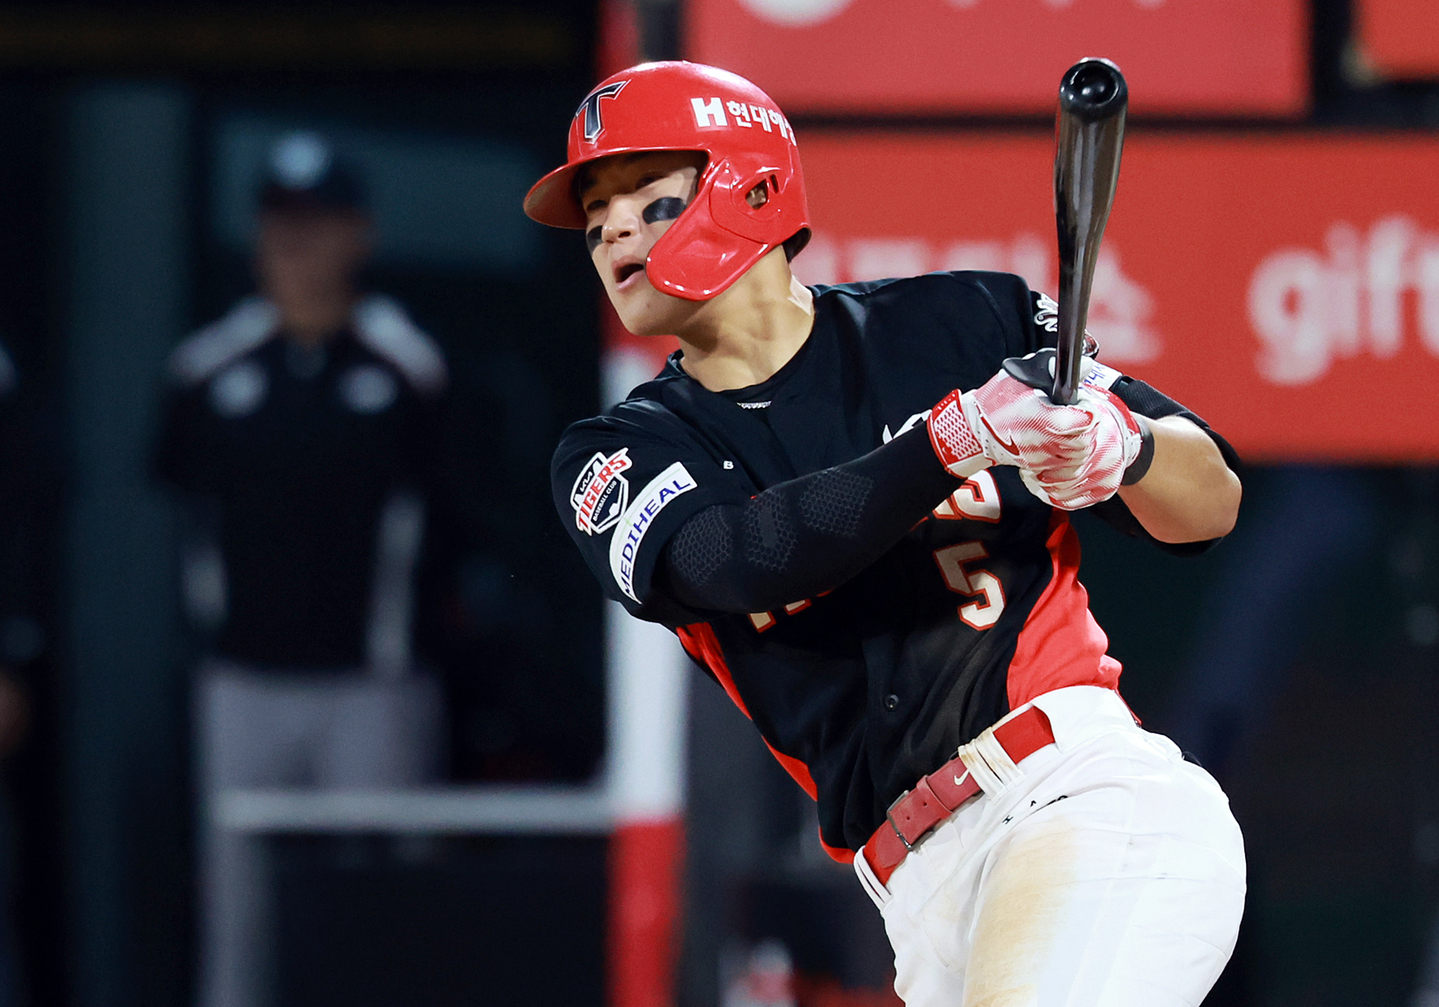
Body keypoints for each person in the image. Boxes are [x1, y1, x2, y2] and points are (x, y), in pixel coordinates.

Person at [527, 61, 1246, 1006]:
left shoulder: (959, 324)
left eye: (647, 200)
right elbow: (732, 559)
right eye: (594, 220)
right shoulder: (621, 448)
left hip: (1072, 799)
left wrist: (1126, 447)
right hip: (915, 893)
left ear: (751, 185)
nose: (612, 229)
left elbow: (1213, 500)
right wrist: (950, 442)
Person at [154, 132, 448, 1007]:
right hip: (243, 683)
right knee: (241, 914)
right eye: (281, 225)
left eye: (318, 225)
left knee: (375, 903)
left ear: (358, 234)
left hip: (374, 687)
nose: (297, 246)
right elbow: (173, 496)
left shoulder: (408, 364)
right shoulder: (206, 371)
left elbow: (456, 514)